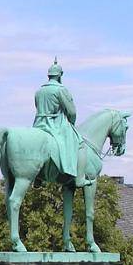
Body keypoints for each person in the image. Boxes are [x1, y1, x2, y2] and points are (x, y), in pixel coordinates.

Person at [32, 60, 93, 188]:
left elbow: (38, 107)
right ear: (60, 75)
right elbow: (71, 112)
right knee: (80, 144)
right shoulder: (61, 90)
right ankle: (79, 179)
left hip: (38, 124)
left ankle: (37, 177)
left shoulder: (39, 91)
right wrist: (71, 123)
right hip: (55, 124)